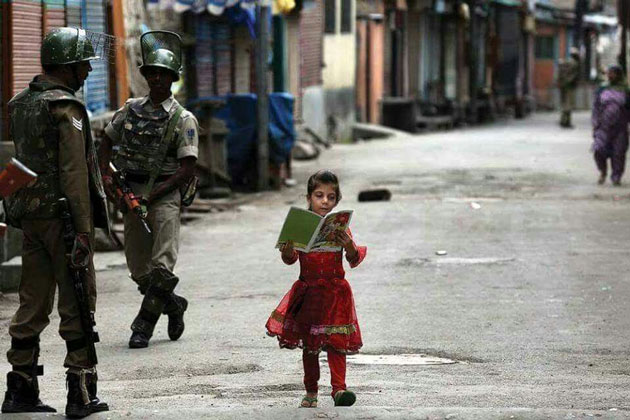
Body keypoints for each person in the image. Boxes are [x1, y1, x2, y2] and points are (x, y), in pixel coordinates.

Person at [1, 27, 109, 417]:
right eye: (83, 66)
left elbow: (21, 160)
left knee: (32, 299)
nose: (87, 73)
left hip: (30, 217)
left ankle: (20, 387)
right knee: (78, 299)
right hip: (63, 219)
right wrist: (83, 230)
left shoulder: (20, 103)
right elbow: (74, 175)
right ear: (66, 67)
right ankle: (80, 391)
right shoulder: (66, 108)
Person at [98, 30, 198, 349]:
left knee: (161, 265)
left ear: (171, 78)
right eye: (151, 73)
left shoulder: (183, 119)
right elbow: (105, 142)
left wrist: (150, 197)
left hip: (164, 195)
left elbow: (187, 169)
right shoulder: (130, 109)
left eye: (162, 74)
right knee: (139, 269)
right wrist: (107, 179)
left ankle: (142, 327)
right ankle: (173, 305)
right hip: (131, 193)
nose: (155, 78)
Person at [265, 170, 367, 408]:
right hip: (308, 293)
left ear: (337, 201)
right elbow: (289, 259)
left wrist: (349, 245)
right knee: (310, 346)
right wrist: (288, 249)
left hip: (335, 294)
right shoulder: (302, 225)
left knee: (337, 343)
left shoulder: (340, 227)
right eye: (319, 196)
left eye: (331, 197)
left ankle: (339, 390)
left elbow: (353, 259)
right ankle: (311, 391)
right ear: (309, 197)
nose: (325, 201)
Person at [591, 65, 630, 186]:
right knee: (598, 150)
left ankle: (616, 176)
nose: (610, 75)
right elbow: (596, 107)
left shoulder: (625, 91)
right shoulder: (602, 89)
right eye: (609, 73)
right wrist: (595, 123)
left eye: (613, 73)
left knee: (618, 153)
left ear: (619, 75)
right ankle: (603, 171)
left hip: (620, 128)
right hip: (603, 126)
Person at [558, 47, 581, 128]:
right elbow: (573, 75)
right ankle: (566, 122)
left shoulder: (566, 62)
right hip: (569, 85)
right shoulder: (574, 63)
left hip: (564, 85)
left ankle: (563, 120)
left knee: (564, 103)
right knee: (569, 104)